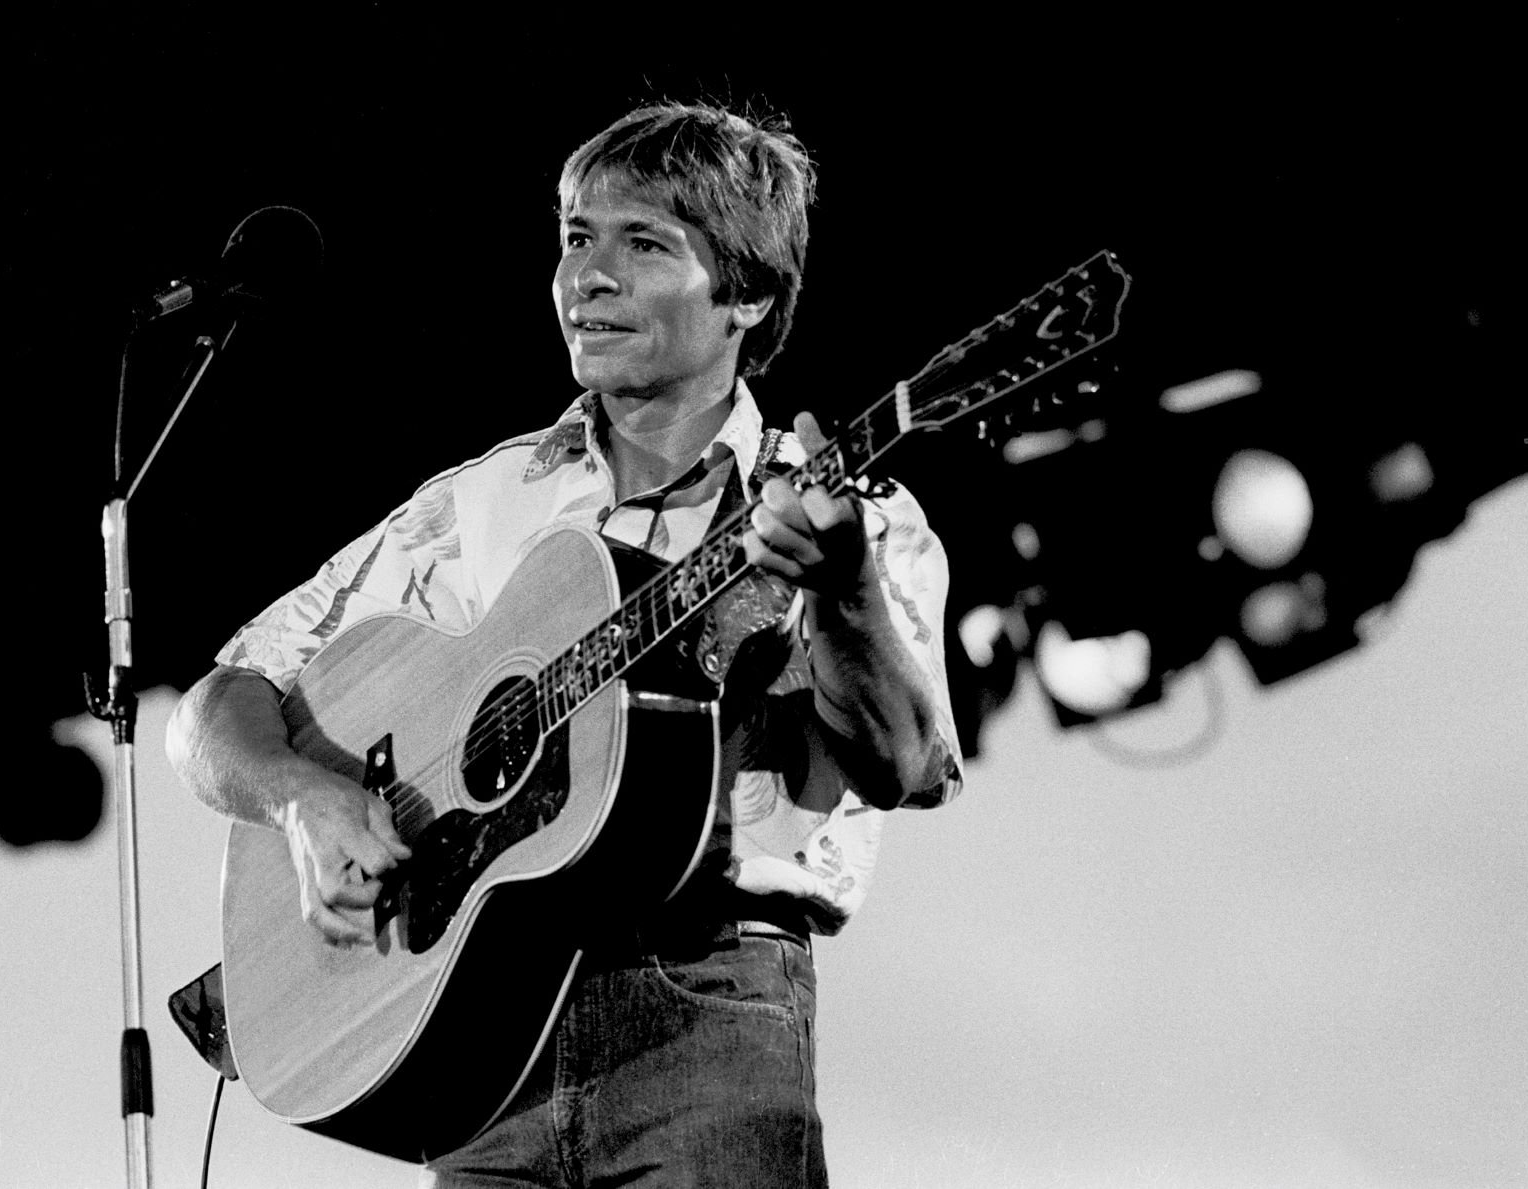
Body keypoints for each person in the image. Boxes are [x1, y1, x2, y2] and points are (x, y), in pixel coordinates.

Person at [166, 102, 963, 1187]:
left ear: (749, 295)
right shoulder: (478, 502)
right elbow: (217, 702)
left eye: (643, 244)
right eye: (577, 238)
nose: (588, 275)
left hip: (708, 1019)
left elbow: (906, 762)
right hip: (483, 1034)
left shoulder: (850, 515)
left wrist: (844, 585)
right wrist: (303, 800)